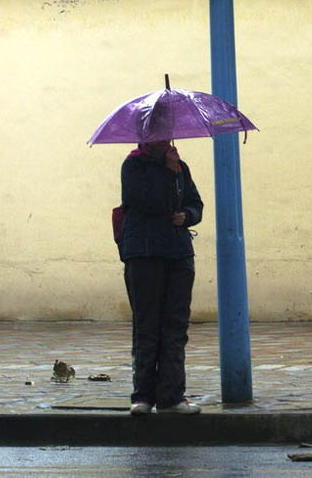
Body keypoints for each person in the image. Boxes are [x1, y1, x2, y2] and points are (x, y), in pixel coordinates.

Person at [119, 137, 203, 416]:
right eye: (156, 131)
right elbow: (149, 202)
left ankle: (171, 397)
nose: (163, 137)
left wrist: (187, 216)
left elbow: (195, 203)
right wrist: (168, 171)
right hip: (144, 253)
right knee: (147, 326)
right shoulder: (133, 166)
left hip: (178, 254)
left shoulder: (180, 167)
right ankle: (143, 396)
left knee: (175, 326)